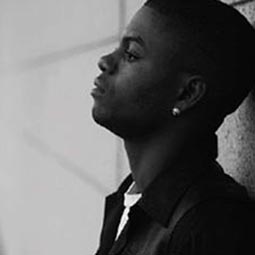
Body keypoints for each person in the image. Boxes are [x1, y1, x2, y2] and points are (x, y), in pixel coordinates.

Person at [91, 0, 255, 254]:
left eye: (131, 54)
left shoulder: (212, 224)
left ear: (187, 93)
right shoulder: (129, 200)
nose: (105, 61)